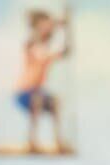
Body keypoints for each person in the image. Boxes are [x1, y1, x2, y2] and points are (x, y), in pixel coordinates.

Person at [14, 8, 72, 155]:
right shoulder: (31, 46)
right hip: (23, 93)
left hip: (37, 93)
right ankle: (32, 140)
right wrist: (57, 24)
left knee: (55, 102)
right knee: (38, 99)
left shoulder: (45, 48)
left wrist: (66, 29)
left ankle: (58, 140)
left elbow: (64, 53)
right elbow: (42, 52)